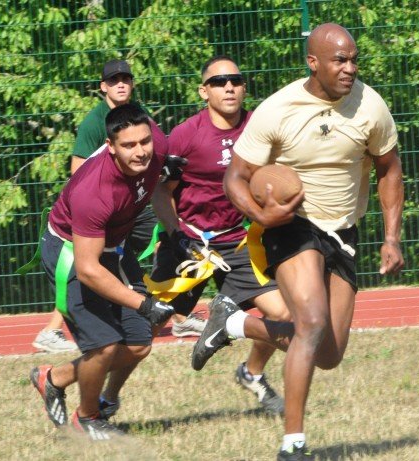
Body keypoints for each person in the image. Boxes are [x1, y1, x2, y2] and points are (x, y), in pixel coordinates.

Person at [194, 23, 405, 460]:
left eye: (353, 60)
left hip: (343, 231)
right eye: (339, 60)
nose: (349, 68)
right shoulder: (278, 109)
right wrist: (262, 215)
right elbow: (236, 177)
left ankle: (235, 324)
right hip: (292, 226)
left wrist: (391, 237)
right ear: (314, 62)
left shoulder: (371, 106)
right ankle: (293, 444)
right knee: (309, 322)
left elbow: (389, 168)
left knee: (328, 354)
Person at [31, 60, 204, 353]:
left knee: (170, 241)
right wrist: (107, 199)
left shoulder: (140, 118)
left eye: (125, 78)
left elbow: (154, 159)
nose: (120, 84)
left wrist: (161, 168)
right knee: (90, 277)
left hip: (130, 205)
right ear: (103, 87)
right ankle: (53, 328)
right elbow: (79, 172)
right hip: (100, 209)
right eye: (113, 80)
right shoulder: (94, 122)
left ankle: (175, 314)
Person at [150, 55, 289, 414]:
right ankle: (100, 402)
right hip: (189, 241)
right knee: (143, 328)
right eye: (218, 81)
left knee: (284, 316)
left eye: (236, 80)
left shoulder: (259, 127)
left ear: (244, 87)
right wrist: (173, 232)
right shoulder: (185, 135)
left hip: (237, 240)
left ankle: (252, 374)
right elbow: (161, 191)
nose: (229, 86)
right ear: (203, 91)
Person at [30, 104, 176, 439]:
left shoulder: (156, 147)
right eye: (128, 145)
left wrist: (176, 233)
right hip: (73, 254)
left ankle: (53, 378)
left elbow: (159, 180)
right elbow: (88, 269)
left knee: (139, 344)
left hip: (114, 247)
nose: (140, 151)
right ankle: (88, 418)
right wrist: (145, 304)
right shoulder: (94, 191)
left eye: (144, 142)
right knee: (105, 346)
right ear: (110, 146)